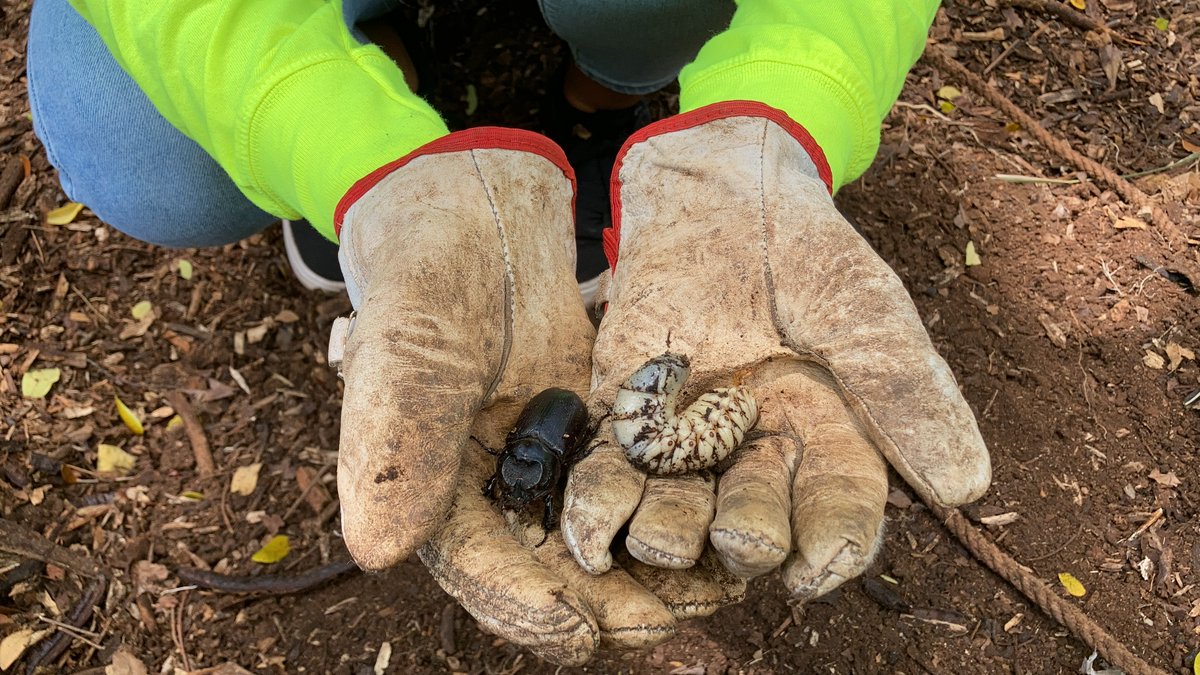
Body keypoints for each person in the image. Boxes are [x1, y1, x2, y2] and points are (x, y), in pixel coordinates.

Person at [28, 0, 991, 665]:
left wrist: (781, 109)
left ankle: (602, 94)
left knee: (641, 10)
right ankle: (388, 124)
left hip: (649, 401)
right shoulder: (633, 419)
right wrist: (349, 155)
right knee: (138, 144)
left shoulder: (649, 414)